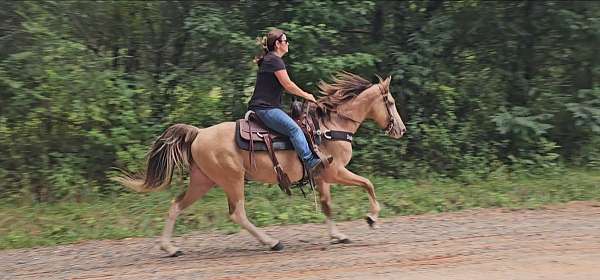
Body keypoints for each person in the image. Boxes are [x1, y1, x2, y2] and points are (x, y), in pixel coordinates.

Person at [248, 28, 325, 175]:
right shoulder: (274, 60)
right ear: (278, 44)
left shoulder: (271, 59)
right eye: (285, 41)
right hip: (266, 109)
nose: (287, 43)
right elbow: (288, 85)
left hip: (266, 108)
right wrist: (307, 95)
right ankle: (310, 162)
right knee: (294, 129)